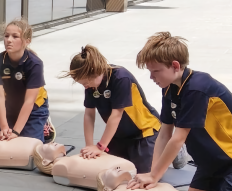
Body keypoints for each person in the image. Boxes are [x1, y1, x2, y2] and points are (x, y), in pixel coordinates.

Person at [129, 32, 232, 191]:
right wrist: (153, 172)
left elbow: (178, 138)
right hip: (210, 162)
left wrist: (155, 176)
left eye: (155, 71)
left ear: (174, 65)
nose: (151, 77)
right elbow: (165, 133)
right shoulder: (169, 88)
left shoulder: (197, 88)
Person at [61, 45, 160, 174]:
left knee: (143, 174)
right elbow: (89, 115)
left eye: (86, 82)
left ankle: (171, 149)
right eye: (82, 84)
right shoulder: (91, 86)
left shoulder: (120, 78)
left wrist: (100, 146)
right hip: (120, 135)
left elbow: (116, 115)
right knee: (110, 170)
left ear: (94, 70)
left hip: (145, 131)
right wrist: (90, 146)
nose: (85, 86)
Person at [0, 19, 49, 142]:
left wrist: (16, 131)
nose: (9, 40)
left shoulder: (35, 64)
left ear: (27, 41)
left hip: (34, 108)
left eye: (15, 36)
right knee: (2, 141)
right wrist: (4, 127)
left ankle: (44, 125)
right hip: (10, 106)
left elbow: (29, 101)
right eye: (6, 36)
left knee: (30, 146)